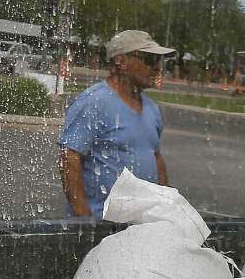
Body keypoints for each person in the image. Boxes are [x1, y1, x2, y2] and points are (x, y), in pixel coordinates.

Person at [59, 30, 174, 217]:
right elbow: (69, 158)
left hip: (141, 227)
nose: (157, 68)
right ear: (121, 61)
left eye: (160, 62)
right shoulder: (94, 103)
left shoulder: (152, 109)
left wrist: (168, 208)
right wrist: (84, 218)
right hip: (101, 225)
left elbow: (156, 157)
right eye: (150, 60)